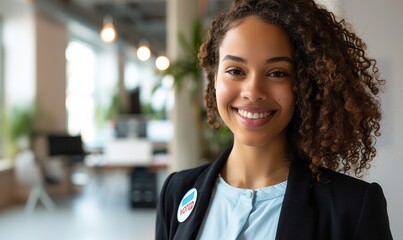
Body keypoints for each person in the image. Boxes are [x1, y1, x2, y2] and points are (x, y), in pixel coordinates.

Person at [156, 0, 393, 239]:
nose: (253, 91)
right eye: (235, 71)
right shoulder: (177, 191)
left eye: (277, 73)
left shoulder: (352, 208)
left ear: (304, 84)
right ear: (215, 77)